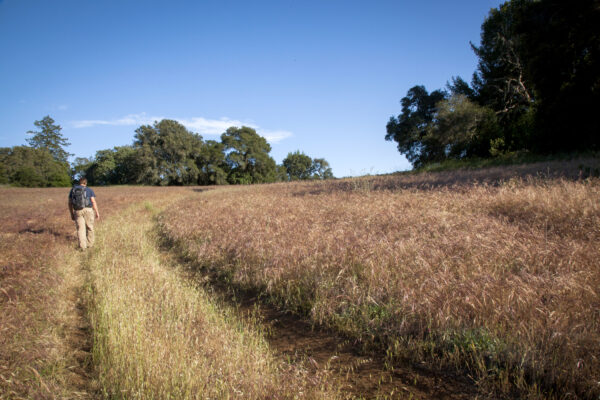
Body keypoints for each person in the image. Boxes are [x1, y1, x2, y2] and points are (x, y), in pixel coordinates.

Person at [68, 177, 100, 250]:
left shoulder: (73, 190)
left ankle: (82, 247)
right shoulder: (89, 190)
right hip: (88, 210)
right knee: (90, 227)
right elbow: (93, 201)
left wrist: (71, 213)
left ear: (79, 183)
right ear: (85, 183)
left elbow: (69, 203)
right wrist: (97, 212)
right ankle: (90, 244)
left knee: (80, 229)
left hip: (77, 211)